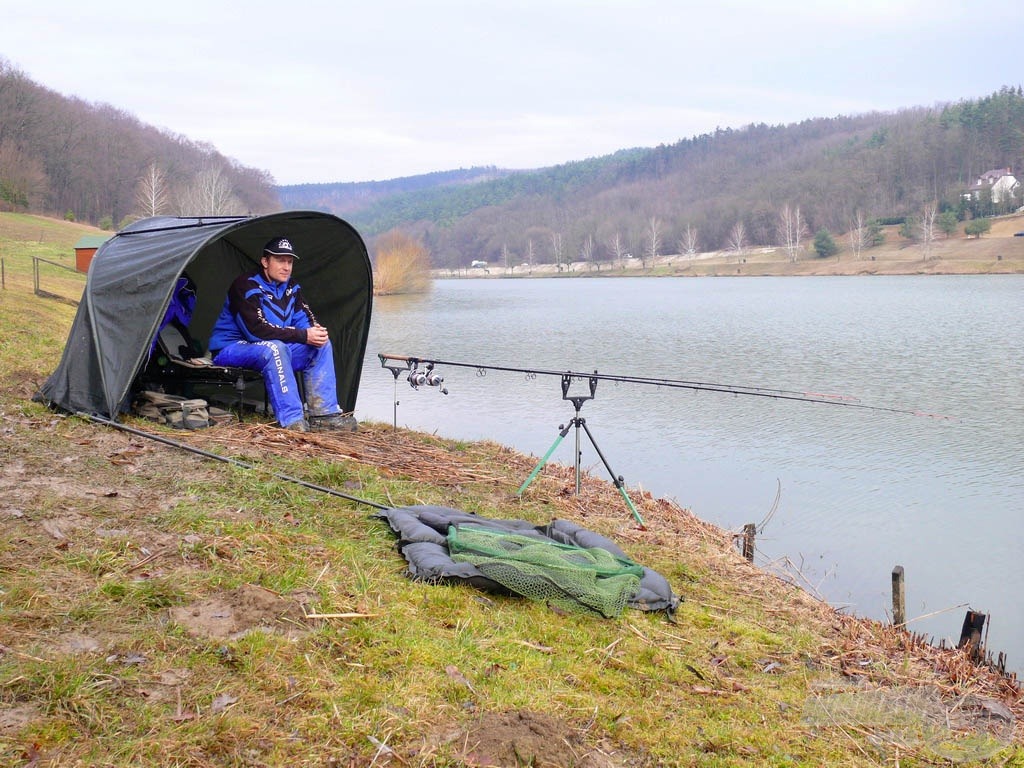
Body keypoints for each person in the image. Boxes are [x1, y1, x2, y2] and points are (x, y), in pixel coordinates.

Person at [208, 236, 353, 432]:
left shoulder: (292, 288)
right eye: (280, 260)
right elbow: (255, 331)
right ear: (265, 262)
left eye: (290, 262)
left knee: (321, 344)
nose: (286, 267)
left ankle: (324, 416)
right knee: (276, 348)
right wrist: (302, 335)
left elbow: (306, 322)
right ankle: (292, 420)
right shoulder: (245, 285)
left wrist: (316, 332)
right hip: (231, 348)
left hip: (272, 348)